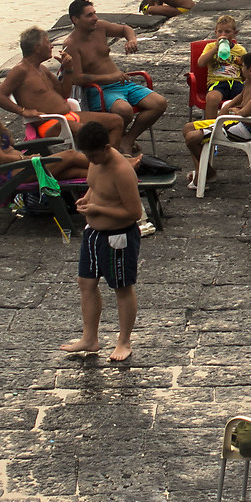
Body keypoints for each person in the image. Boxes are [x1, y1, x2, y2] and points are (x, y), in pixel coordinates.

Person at [61, 120, 147, 362]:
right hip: (93, 232)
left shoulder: (121, 171)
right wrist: (87, 198)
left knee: (121, 287)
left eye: (93, 155)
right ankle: (90, 338)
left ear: (107, 147)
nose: (90, 160)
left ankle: (124, 341)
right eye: (87, 155)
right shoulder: (94, 161)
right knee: (86, 282)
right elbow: (95, 186)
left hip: (118, 236)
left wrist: (98, 208)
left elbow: (134, 213)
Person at [0, 26, 124, 153]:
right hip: (51, 124)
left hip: (69, 116)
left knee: (116, 121)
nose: (51, 46)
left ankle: (111, 161)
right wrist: (23, 111)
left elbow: (64, 93)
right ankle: (105, 162)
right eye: (48, 42)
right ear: (37, 48)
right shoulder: (21, 70)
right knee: (92, 133)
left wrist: (68, 69)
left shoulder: (42, 69)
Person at [61, 0, 170, 142]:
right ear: (75, 19)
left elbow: (125, 29)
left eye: (94, 13)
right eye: (89, 15)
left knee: (159, 103)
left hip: (122, 83)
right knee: (124, 110)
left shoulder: (100, 27)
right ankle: (117, 138)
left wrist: (131, 40)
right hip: (99, 90)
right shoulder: (71, 45)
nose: (95, 18)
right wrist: (111, 77)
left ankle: (127, 140)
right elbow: (77, 78)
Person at [182, 49, 251, 187]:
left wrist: (232, 110)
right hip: (233, 123)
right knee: (187, 127)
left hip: (242, 129)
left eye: (243, 67)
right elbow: (240, 97)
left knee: (191, 138)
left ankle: (206, 173)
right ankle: (204, 171)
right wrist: (229, 106)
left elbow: (244, 112)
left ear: (250, 70)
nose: (241, 69)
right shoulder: (249, 81)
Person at [0, 83, 88, 176]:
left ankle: (99, 185)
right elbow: (1, 158)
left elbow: (11, 143)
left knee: (76, 172)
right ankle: (101, 164)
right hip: (15, 172)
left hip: (22, 167)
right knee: (71, 155)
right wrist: (27, 158)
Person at [199, 14, 251, 112]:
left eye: (227, 32)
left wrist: (242, 65)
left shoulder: (240, 50)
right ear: (216, 33)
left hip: (236, 82)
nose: (223, 35)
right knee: (212, 98)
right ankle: (210, 122)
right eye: (220, 32)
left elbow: (245, 75)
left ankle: (237, 120)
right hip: (217, 82)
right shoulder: (210, 47)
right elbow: (201, 63)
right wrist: (216, 48)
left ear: (235, 33)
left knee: (247, 97)